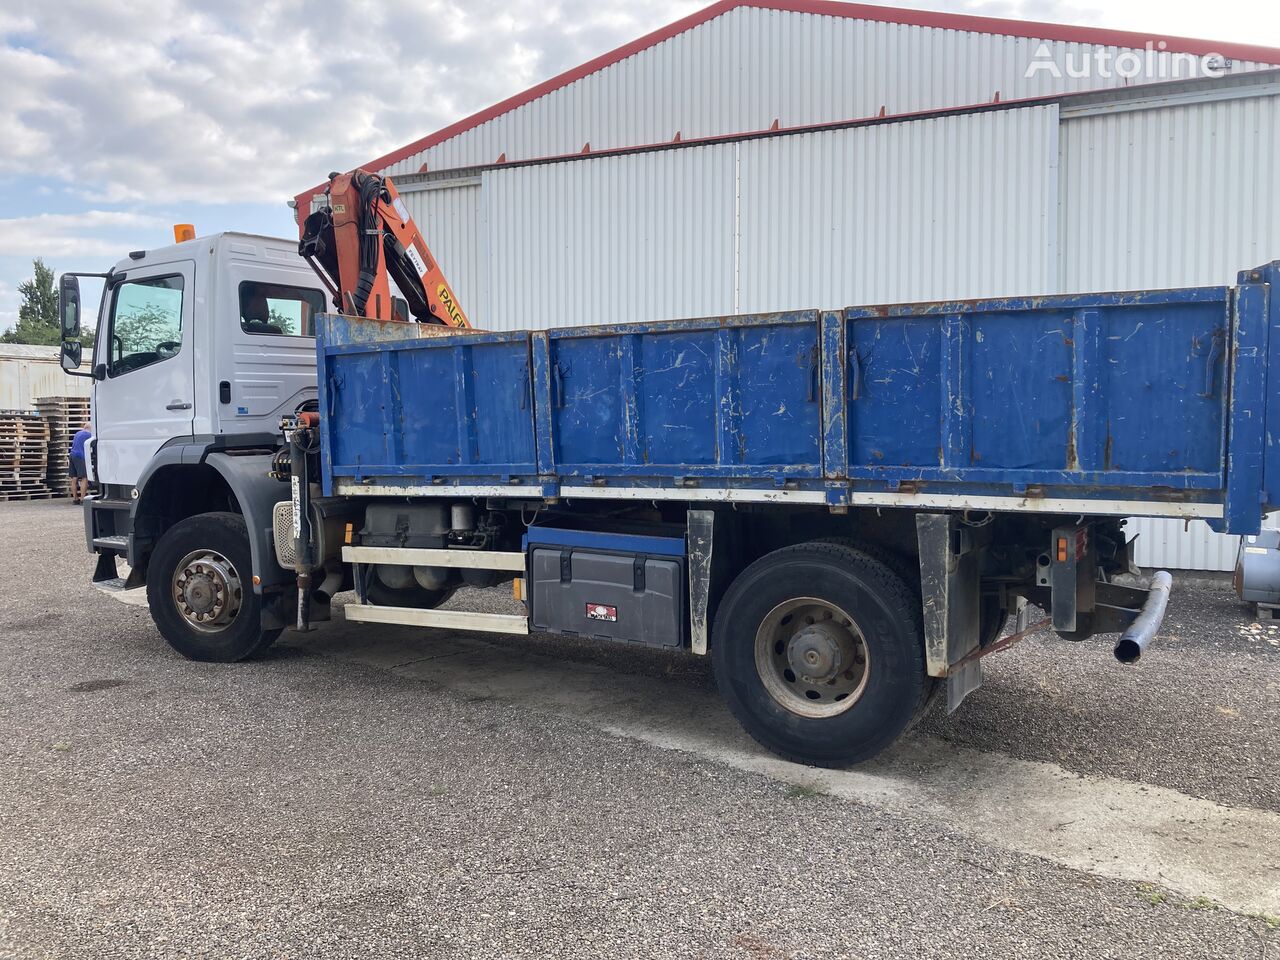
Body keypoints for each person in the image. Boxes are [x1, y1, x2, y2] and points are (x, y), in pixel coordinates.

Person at [69, 423, 92, 504]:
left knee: (74, 478)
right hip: (80, 456)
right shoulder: (89, 435)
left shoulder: (77, 433)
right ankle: (82, 499)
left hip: (72, 455)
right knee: (84, 477)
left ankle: (75, 498)